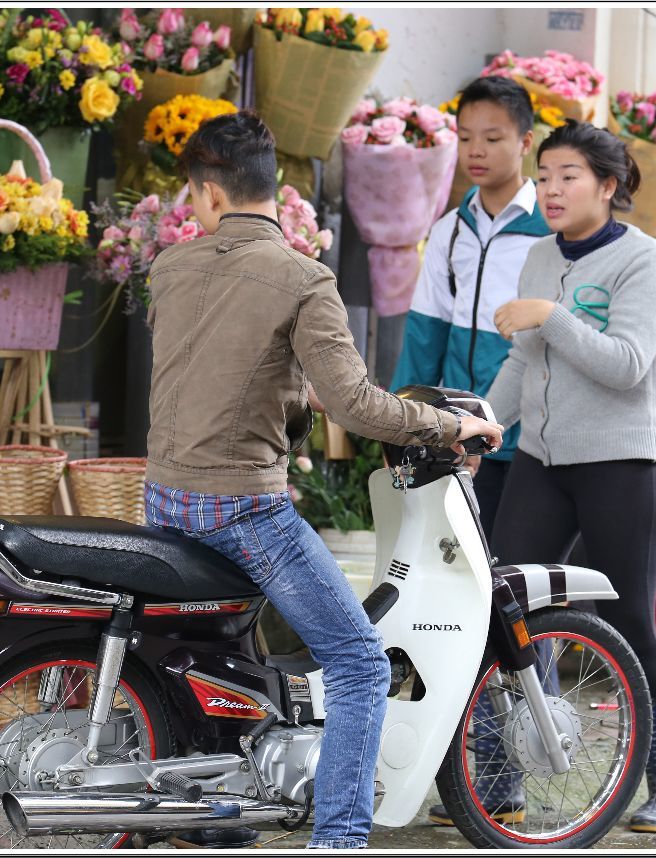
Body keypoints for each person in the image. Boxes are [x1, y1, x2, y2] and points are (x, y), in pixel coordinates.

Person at [143, 110, 504, 850]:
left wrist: (288, 400)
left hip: (163, 499)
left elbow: (210, 376)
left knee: (207, 655)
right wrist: (448, 427)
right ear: (271, 189)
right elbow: (356, 404)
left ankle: (218, 816)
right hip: (241, 509)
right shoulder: (303, 278)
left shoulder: (169, 268)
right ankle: (339, 838)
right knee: (360, 665)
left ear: (208, 196)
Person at [484, 119, 656, 834]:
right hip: (542, 461)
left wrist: (554, 315)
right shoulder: (539, 255)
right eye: (544, 177)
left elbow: (627, 364)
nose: (551, 190)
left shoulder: (647, 262)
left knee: (629, 618)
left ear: (609, 184)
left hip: (623, 463)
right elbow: (522, 361)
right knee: (506, 614)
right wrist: (480, 426)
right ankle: (502, 778)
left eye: (568, 176)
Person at [389, 76, 549, 539]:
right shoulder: (449, 232)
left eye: (493, 138)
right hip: (458, 435)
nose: (476, 150)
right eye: (465, 138)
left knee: (521, 566)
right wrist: (403, 426)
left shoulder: (550, 233)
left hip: (529, 440)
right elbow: (425, 336)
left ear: (525, 142)